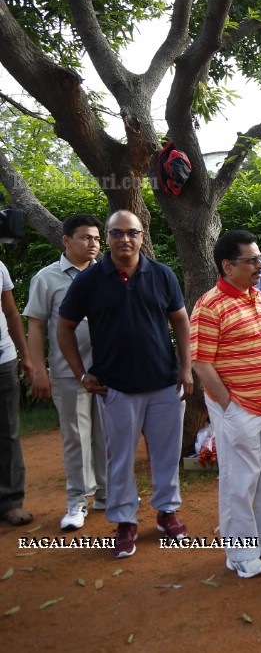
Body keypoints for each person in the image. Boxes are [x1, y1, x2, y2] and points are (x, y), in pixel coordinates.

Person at [58, 210, 193, 558]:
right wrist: (81, 374)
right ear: (107, 238)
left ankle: (166, 513)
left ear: (141, 235)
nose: (124, 240)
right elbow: (64, 328)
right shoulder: (89, 281)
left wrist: (186, 368)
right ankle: (125, 521)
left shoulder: (162, 275)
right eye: (116, 233)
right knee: (119, 459)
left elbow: (180, 319)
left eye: (131, 233)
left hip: (164, 384)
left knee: (166, 455)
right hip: (115, 387)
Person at [190, 230, 261, 578]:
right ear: (227, 265)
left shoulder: (260, 298)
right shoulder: (209, 305)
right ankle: (240, 552)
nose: (259, 265)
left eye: (258, 258)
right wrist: (229, 405)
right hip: (239, 409)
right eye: (251, 260)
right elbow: (201, 363)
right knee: (240, 479)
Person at [24, 213, 106, 530]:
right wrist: (38, 370)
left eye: (97, 238)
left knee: (105, 436)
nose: (93, 244)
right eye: (86, 237)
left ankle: (104, 494)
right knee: (75, 437)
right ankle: (76, 501)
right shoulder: (47, 278)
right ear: (67, 241)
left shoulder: (107, 274)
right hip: (67, 373)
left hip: (106, 372)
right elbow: (35, 325)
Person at [0, 258, 33, 526]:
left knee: (8, 432)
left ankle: (11, 502)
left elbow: (11, 313)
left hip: (3, 360)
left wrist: (25, 354)